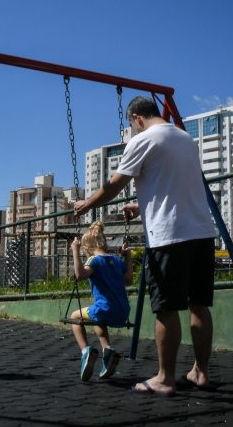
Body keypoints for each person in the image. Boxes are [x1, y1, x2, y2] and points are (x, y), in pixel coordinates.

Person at [73, 96, 216, 397]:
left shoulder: (142, 141)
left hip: (169, 236)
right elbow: (175, 185)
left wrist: (86, 205)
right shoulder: (186, 138)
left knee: (165, 308)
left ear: (137, 118)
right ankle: (200, 372)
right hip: (202, 232)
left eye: (131, 125)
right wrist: (141, 207)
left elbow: (113, 185)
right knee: (198, 304)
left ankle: (165, 378)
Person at [70, 221, 133, 381]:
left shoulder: (94, 261)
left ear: (87, 248)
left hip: (104, 309)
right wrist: (128, 257)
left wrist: (75, 252)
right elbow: (129, 280)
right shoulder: (118, 261)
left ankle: (86, 351)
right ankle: (108, 350)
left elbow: (80, 275)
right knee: (99, 320)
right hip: (123, 312)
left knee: (74, 316)